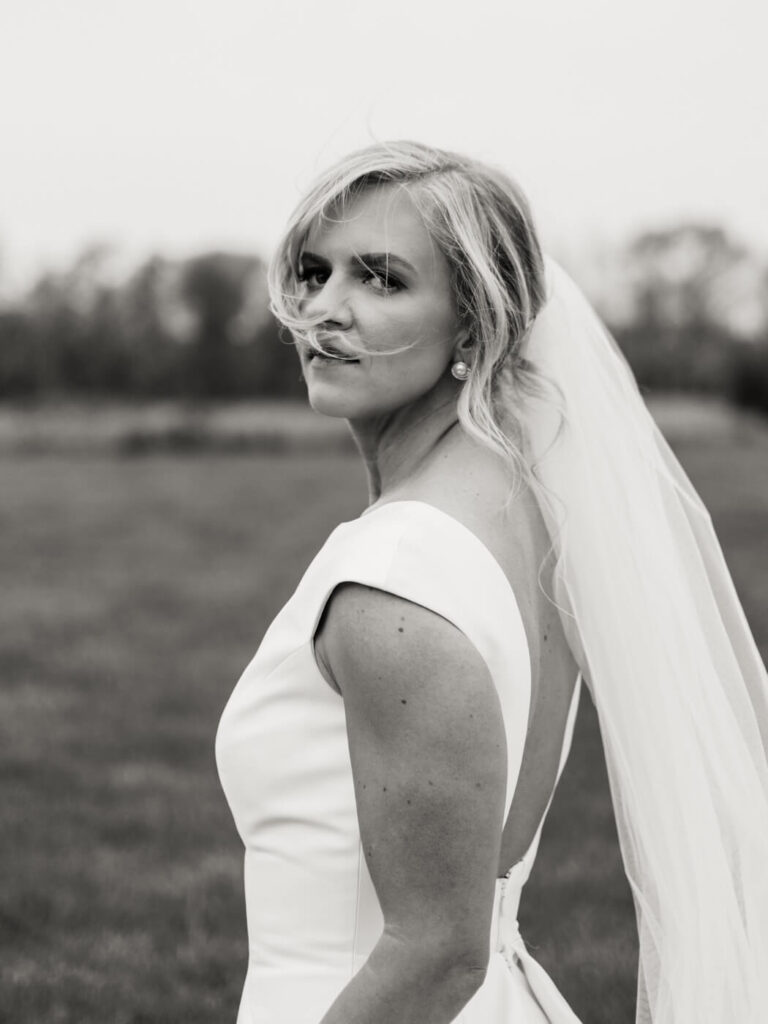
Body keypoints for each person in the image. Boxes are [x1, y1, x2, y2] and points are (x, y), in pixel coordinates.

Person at [215, 141, 768, 1024]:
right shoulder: (540, 527)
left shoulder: (392, 583)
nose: (325, 309)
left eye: (382, 280)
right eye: (314, 272)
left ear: (476, 323)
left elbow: (434, 955)